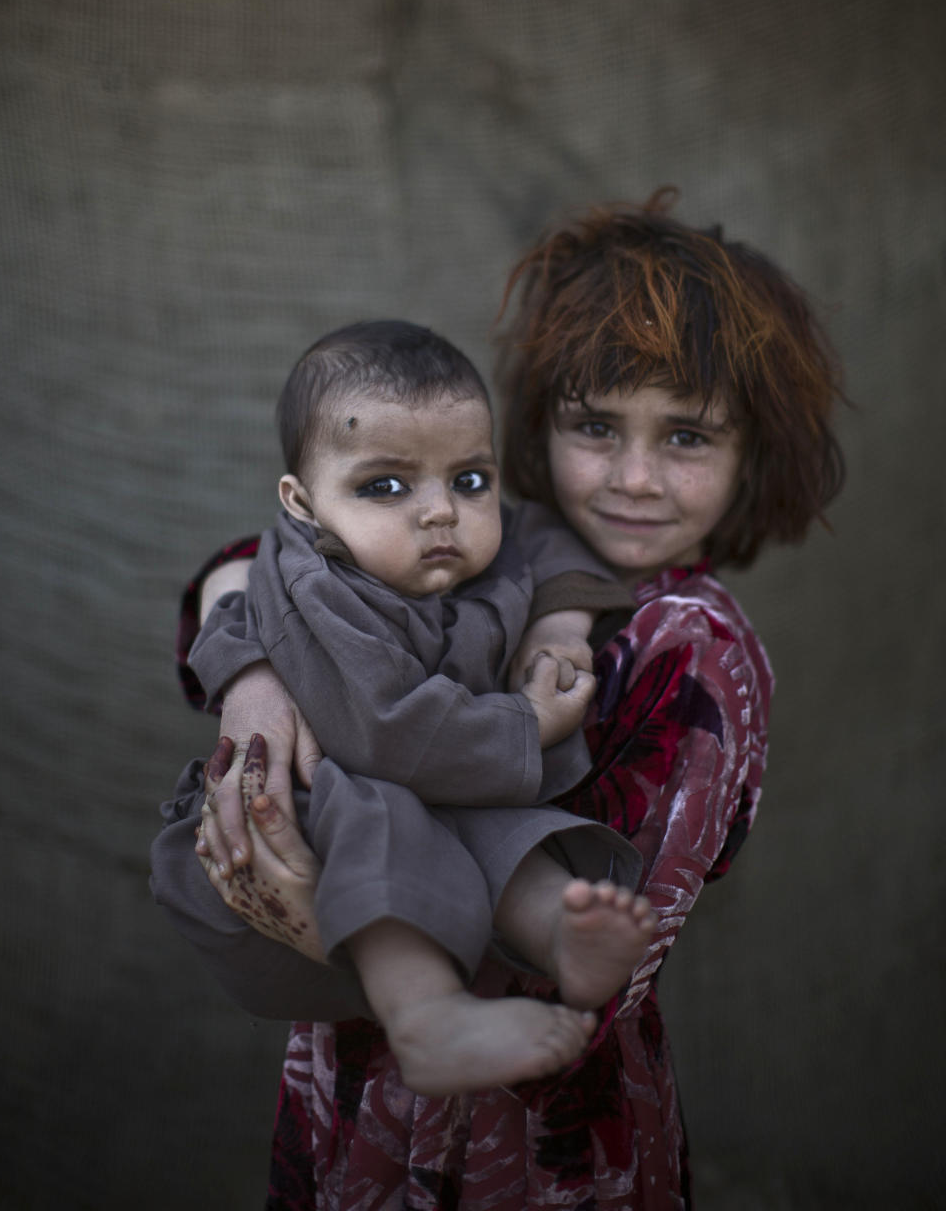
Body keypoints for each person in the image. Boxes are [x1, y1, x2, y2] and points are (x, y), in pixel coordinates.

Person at [151, 190, 844, 1209]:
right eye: (596, 427)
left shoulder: (690, 649)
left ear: (754, 453)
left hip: (527, 1139)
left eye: (688, 438)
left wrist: (315, 920)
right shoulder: (481, 537)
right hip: (355, 1099)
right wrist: (253, 679)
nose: (635, 478)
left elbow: (584, 988)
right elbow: (258, 564)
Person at [186, 318, 654, 1095]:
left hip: (454, 775)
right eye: (386, 486)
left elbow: (549, 537)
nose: (440, 511)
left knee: (513, 831)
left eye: (470, 480)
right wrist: (528, 723)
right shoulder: (321, 586)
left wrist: (560, 623)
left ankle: (559, 936)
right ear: (303, 505)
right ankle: (427, 1016)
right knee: (381, 828)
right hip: (340, 793)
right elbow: (385, 731)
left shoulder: (486, 540)